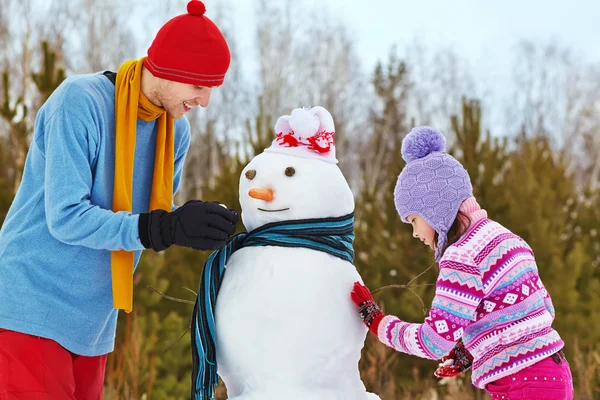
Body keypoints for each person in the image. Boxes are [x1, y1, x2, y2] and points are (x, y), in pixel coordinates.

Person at [0, 1, 238, 398]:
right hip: (32, 302)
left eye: (212, 88)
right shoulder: (80, 103)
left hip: (94, 319)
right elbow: (66, 216)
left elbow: (146, 226)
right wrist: (164, 226)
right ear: (169, 70)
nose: (205, 101)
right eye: (199, 86)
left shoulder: (174, 134)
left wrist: (189, 225)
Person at [351, 126, 574, 400]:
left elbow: (433, 342)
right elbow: (537, 310)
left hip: (522, 383)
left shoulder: (461, 255)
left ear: (435, 209)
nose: (416, 233)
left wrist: (378, 322)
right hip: (553, 373)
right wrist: (470, 350)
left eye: (414, 220)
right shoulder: (505, 238)